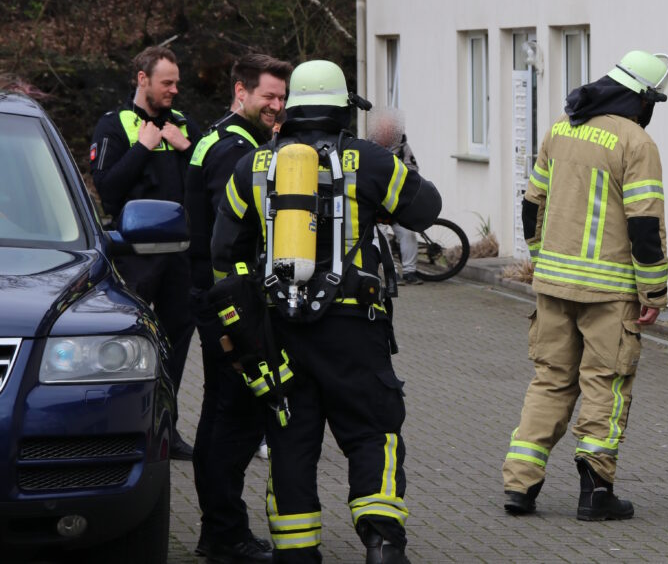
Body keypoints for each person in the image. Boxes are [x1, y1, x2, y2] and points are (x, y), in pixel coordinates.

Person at [211, 60, 441, 564]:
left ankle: (296, 551)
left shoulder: (251, 166)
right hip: (355, 329)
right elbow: (426, 210)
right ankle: (382, 544)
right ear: (343, 108)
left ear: (288, 109)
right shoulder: (371, 160)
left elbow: (224, 256)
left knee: (290, 441)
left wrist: (246, 336)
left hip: (278, 331)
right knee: (372, 432)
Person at [502, 50, 668, 522]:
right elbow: (645, 227)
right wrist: (654, 294)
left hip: (554, 287)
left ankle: (519, 486)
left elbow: (530, 207)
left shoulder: (561, 128)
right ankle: (596, 493)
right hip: (610, 293)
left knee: (550, 381)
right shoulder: (636, 141)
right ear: (640, 98)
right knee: (606, 384)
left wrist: (543, 265)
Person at [185, 53, 291, 563]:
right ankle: (225, 533)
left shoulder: (221, 137)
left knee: (222, 413)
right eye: (268, 96)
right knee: (236, 416)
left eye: (282, 97)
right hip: (231, 306)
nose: (277, 106)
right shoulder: (235, 152)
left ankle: (218, 530)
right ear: (240, 92)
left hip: (218, 299)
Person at [90, 45, 201, 459]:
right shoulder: (113, 125)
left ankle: (166, 431)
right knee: (127, 345)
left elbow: (209, 185)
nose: (175, 89)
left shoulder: (185, 125)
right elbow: (108, 190)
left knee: (175, 345)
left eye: (176, 82)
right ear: (143, 80)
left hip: (179, 257)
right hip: (132, 257)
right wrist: (142, 147)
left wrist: (186, 147)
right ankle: (118, 431)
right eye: (166, 82)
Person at [367, 109, 422, 286]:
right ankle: (392, 272)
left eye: (390, 129)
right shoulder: (367, 147)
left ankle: (410, 271)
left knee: (408, 233)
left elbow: (413, 169)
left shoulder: (403, 147)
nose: (387, 133)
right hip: (376, 203)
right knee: (380, 235)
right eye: (384, 129)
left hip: (397, 201)